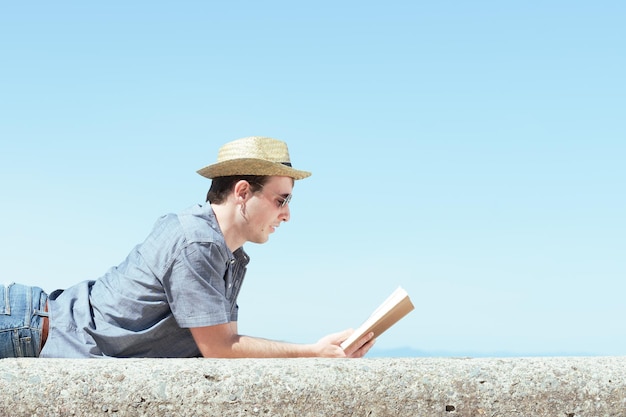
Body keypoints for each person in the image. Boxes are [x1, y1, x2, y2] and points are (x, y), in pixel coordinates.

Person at [0, 136, 375, 359]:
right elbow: (221, 349)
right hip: (27, 326)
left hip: (34, 323)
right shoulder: (197, 243)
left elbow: (222, 344)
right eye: (281, 200)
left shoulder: (226, 256)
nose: (288, 214)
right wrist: (313, 351)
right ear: (243, 191)